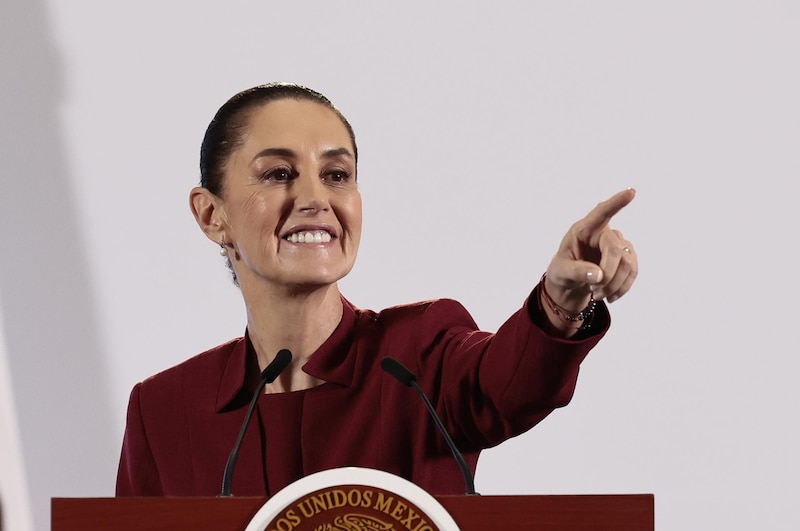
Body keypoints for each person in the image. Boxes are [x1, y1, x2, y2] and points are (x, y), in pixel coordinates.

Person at [115, 82, 638, 497]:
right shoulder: (163, 411)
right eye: (278, 173)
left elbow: (508, 385)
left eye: (337, 175)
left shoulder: (418, 356)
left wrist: (560, 305)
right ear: (212, 214)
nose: (316, 198)